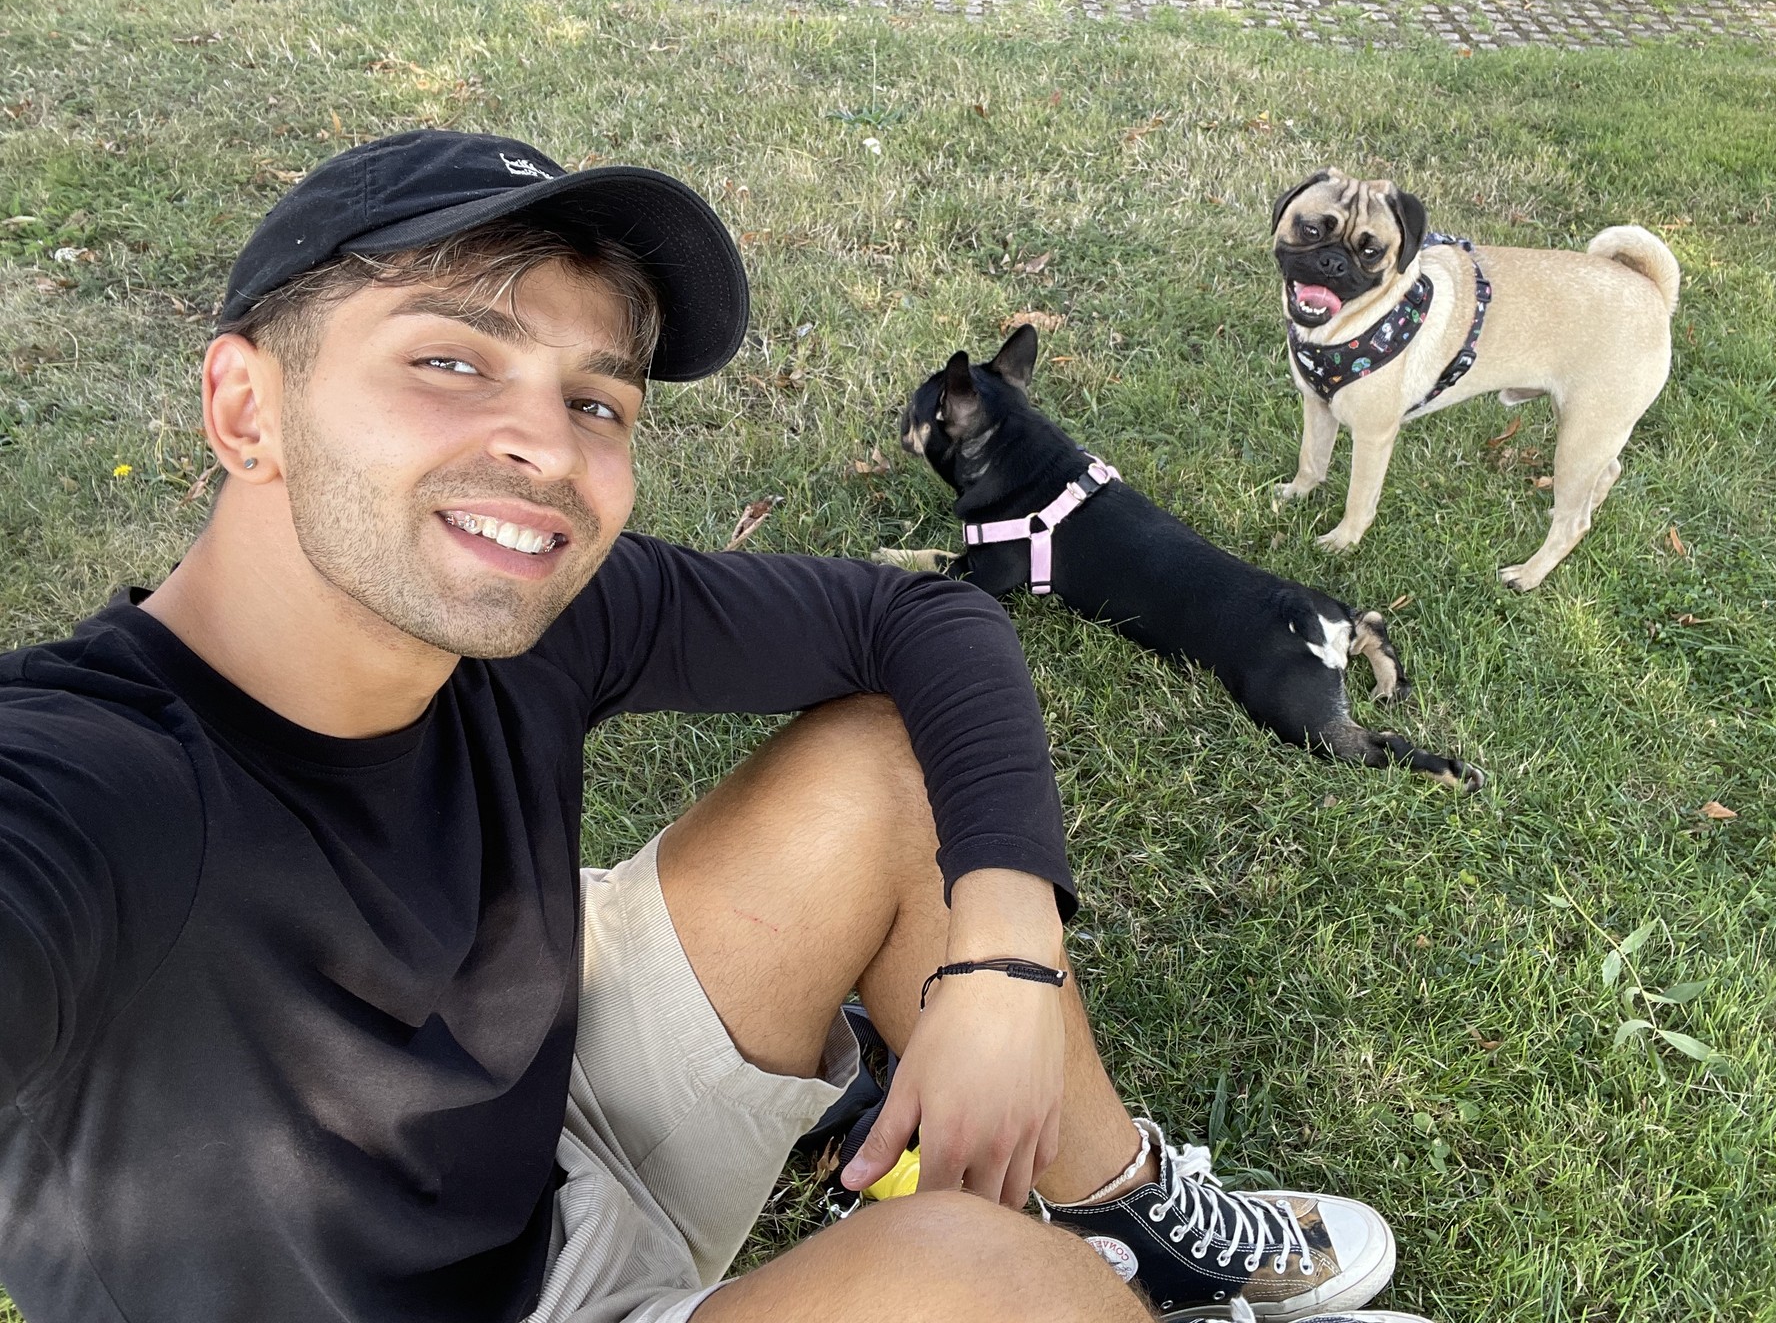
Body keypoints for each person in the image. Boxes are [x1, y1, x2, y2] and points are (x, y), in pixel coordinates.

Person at [0, 130, 1421, 1323]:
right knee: (979, 1275)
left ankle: (1124, 1217)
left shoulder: (538, 611)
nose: (547, 449)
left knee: (881, 762)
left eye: (596, 398)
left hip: (551, 1150)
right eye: (450, 362)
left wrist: (1006, 951)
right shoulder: (94, 787)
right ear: (246, 405)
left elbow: (922, 623)